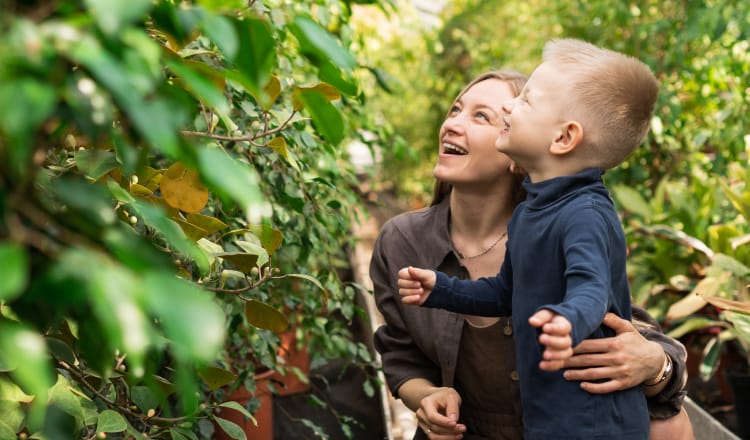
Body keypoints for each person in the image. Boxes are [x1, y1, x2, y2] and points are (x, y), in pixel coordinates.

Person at [371, 66, 692, 438]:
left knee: (670, 425)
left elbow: (608, 310)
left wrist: (655, 365)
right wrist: (426, 395)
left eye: (481, 116)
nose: (453, 124)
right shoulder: (404, 241)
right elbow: (400, 353)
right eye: (455, 110)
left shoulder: (569, 221)